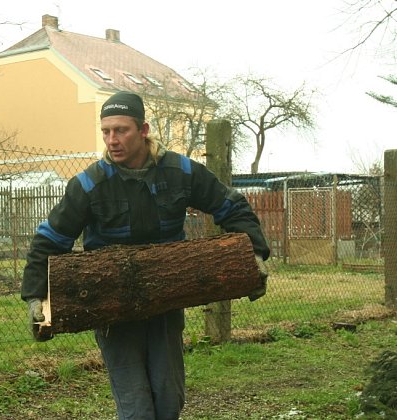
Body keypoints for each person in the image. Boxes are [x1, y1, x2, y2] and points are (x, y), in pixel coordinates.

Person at [22, 91, 270, 419]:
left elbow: (231, 205)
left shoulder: (179, 171)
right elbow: (49, 239)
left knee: (169, 400)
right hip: (112, 307)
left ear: (143, 130)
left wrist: (254, 254)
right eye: (106, 131)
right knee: (136, 407)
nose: (112, 140)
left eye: (121, 130)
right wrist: (36, 296)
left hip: (166, 299)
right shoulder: (88, 184)